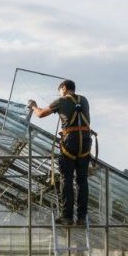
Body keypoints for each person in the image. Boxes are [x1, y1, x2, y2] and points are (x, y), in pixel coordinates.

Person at [29, 79, 92, 226]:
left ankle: (67, 217)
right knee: (82, 181)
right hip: (85, 142)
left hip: (70, 142)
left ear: (64, 88)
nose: (59, 94)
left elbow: (40, 114)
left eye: (60, 91)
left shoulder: (61, 101)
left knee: (66, 179)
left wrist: (33, 106)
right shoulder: (84, 100)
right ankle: (82, 218)